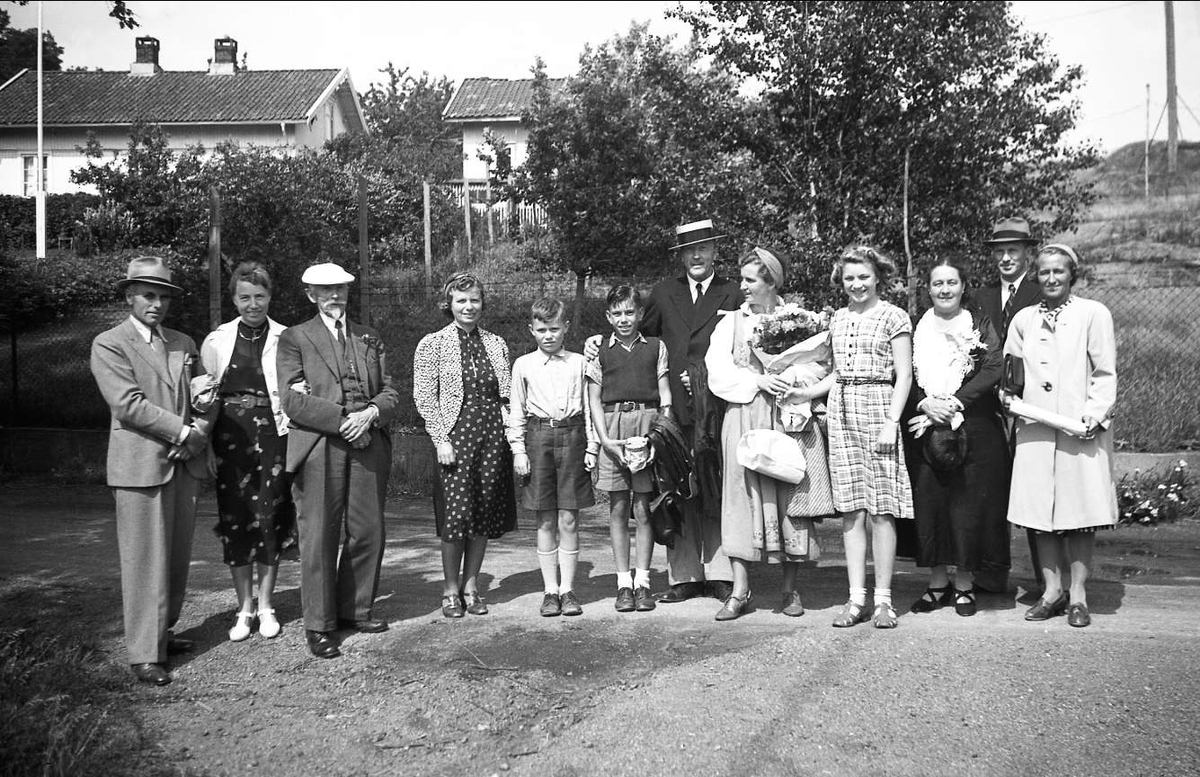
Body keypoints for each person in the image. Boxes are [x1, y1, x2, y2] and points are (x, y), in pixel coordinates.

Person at [588, 219, 740, 604]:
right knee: (677, 490)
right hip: (672, 417)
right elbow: (638, 340)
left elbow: (744, 350)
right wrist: (596, 342)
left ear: (714, 252)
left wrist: (706, 376)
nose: (697, 256)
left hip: (717, 409)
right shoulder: (662, 293)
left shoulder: (732, 293)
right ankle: (686, 575)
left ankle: (720, 573)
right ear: (681, 256)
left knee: (715, 488)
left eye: (704, 248)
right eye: (690, 251)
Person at [90, 255, 216, 686]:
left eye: (163, 296)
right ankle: (144, 653)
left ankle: (161, 633)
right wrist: (184, 434)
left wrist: (199, 428)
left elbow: (206, 395)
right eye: (148, 295)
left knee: (177, 556)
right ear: (129, 296)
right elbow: (128, 405)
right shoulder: (110, 343)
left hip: (184, 462)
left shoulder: (183, 342)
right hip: (140, 465)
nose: (156, 304)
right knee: (145, 559)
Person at [277, 262, 399, 659]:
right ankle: (319, 624)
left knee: (368, 530)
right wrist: (344, 420)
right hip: (320, 446)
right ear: (310, 295)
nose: (335, 296)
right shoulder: (295, 338)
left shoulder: (369, 336)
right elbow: (293, 400)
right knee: (320, 536)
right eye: (325, 290)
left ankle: (355, 609)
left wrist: (370, 414)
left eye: (341, 289)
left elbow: (391, 392)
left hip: (368, 442)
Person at [705, 247, 831, 621]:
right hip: (744, 414)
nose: (741, 287)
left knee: (789, 495)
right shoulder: (731, 323)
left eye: (750, 280)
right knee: (740, 497)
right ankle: (740, 591)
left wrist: (790, 377)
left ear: (771, 282)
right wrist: (757, 379)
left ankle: (790, 589)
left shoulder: (800, 321)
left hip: (787, 414)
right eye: (741, 279)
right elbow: (717, 372)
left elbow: (820, 366)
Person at [1001, 244, 1117, 628]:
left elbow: (1104, 373)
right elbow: (1010, 375)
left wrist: (1093, 417)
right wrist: (1009, 399)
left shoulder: (1093, 314)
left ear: (1072, 276)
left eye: (1059, 272)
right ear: (1036, 276)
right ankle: (1052, 591)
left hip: (1078, 430)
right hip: (1035, 431)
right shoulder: (1023, 320)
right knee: (1040, 514)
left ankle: (1078, 595)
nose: (1051, 279)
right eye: (1045, 272)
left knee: (1079, 514)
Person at [805, 246, 914, 629]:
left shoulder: (894, 316)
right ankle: (856, 599)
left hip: (880, 407)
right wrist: (806, 393)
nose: (857, 284)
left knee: (882, 509)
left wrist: (891, 422)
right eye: (850, 278)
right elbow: (838, 373)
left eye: (864, 276)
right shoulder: (838, 318)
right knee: (852, 510)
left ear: (878, 276)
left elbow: (904, 375)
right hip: (842, 410)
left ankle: (884, 601)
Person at [904, 258, 1010, 618]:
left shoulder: (978, 324)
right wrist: (926, 403)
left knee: (967, 506)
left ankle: (964, 585)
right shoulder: (917, 327)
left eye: (952, 283)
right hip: (925, 423)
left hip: (973, 426)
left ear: (964, 286)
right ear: (928, 290)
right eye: (938, 284)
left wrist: (954, 402)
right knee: (931, 504)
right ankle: (937, 584)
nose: (945, 290)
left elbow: (994, 366)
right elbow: (904, 375)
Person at [199, 261, 295, 642]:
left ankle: (268, 605)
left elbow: (293, 392)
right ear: (234, 299)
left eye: (259, 296)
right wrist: (206, 444)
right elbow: (204, 400)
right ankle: (244, 608)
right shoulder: (216, 340)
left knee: (271, 519)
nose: (252, 304)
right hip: (229, 442)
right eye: (244, 297)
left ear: (270, 296)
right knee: (236, 521)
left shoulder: (287, 338)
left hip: (274, 438)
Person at [413, 272, 517, 619]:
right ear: (449, 304)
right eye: (461, 300)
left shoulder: (496, 343)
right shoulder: (433, 344)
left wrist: (508, 434)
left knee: (483, 513)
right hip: (456, 438)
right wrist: (441, 438)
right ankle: (450, 590)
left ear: (482, 303)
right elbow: (425, 398)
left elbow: (507, 395)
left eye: (474, 300)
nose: (468, 306)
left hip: (492, 436)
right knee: (456, 515)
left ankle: (472, 586)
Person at [509, 297, 599, 617]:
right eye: (542, 329)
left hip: (573, 436)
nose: (549, 335)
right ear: (531, 330)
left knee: (570, 517)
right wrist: (518, 450)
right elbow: (516, 412)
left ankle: (569, 589)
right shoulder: (523, 365)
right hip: (538, 438)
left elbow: (590, 408)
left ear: (566, 328)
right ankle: (550, 591)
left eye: (555, 329)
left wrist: (593, 447)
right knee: (545, 517)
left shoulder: (579, 362)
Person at [585, 284, 672, 613]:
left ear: (640, 314)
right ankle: (623, 583)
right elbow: (593, 397)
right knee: (619, 508)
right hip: (613, 426)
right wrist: (604, 439)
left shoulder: (655, 347)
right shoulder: (599, 351)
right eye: (617, 313)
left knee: (643, 508)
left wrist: (657, 435)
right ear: (609, 317)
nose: (624, 319)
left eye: (630, 313)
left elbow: (665, 393)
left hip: (646, 428)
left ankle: (644, 581)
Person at [974, 216, 1045, 595]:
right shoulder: (980, 297)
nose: (1005, 258)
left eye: (1012, 251)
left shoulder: (1040, 293)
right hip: (988, 405)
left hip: (1030, 403)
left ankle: (1045, 581)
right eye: (999, 252)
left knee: (1034, 489)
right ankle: (991, 573)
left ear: (1027, 254)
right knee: (990, 490)